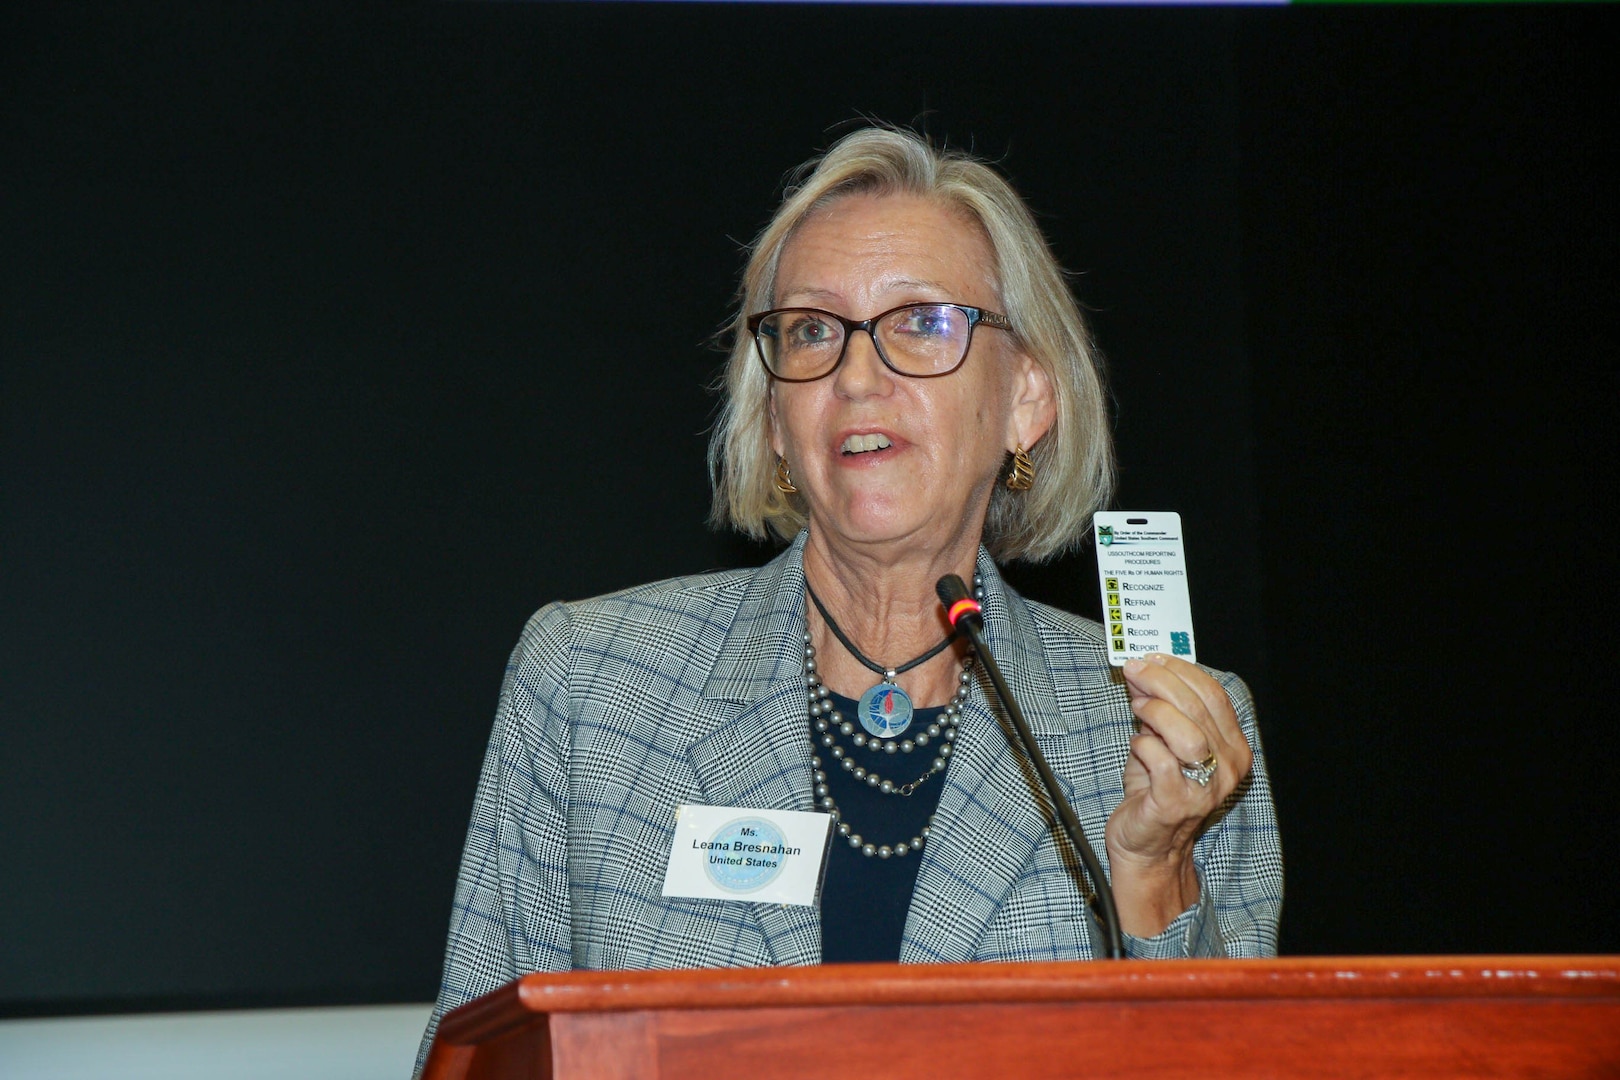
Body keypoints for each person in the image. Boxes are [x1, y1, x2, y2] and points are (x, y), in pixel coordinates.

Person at [416, 126, 1281, 1066]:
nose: (857, 376)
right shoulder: (592, 685)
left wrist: (1152, 874)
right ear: (776, 418)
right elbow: (473, 1062)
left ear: (1027, 398)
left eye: (921, 322)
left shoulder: (1164, 735)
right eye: (813, 331)